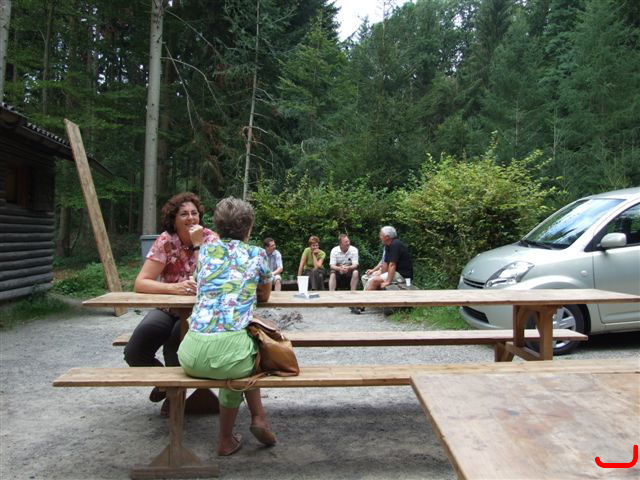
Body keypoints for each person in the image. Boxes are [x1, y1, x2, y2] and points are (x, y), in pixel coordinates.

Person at [178, 197, 275, 456]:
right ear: (249, 228)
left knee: (238, 356)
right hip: (230, 356)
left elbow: (201, 281)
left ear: (217, 227)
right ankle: (227, 437)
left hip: (190, 353)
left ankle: (258, 419)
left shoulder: (205, 252)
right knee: (250, 356)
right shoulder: (257, 254)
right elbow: (265, 294)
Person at [124, 192, 218, 415]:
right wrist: (173, 288)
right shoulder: (166, 241)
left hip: (198, 312)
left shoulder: (211, 239)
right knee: (135, 351)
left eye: (194, 213)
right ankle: (166, 385)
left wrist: (197, 245)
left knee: (175, 345)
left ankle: (176, 401)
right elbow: (141, 283)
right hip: (167, 309)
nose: (191, 218)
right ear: (173, 219)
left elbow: (211, 279)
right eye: (184, 214)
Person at [365, 226, 413, 291]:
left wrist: (388, 281)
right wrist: (380, 274)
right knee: (368, 277)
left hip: (403, 275)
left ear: (387, 237)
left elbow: (392, 264)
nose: (380, 237)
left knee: (374, 281)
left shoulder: (395, 244)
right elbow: (385, 262)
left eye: (381, 235)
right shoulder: (388, 245)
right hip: (394, 272)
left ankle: (367, 297)